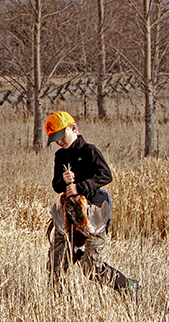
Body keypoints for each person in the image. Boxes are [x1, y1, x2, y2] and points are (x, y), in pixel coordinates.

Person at [45, 110, 139, 300]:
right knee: (56, 262)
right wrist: (63, 181)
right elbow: (56, 186)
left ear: (73, 128)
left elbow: (106, 175)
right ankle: (57, 305)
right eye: (54, 139)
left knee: (91, 266)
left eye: (61, 136)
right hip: (69, 213)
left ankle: (127, 285)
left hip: (94, 212)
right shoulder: (60, 156)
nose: (59, 142)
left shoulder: (89, 151)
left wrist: (80, 186)